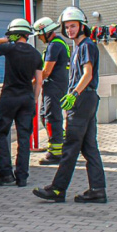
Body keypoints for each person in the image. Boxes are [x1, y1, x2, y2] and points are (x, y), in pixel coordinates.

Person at [33, 7, 108, 203]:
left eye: (73, 26)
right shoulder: (78, 46)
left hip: (82, 100)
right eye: (67, 27)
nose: (70, 30)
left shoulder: (86, 46)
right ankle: (98, 190)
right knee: (89, 147)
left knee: (70, 146)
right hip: (86, 99)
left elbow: (87, 74)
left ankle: (58, 189)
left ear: (82, 26)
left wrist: (74, 93)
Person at [0, 19, 43, 187]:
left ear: (14, 34)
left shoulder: (10, 48)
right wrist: (34, 100)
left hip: (9, 97)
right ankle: (22, 177)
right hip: (27, 98)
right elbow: (39, 82)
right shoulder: (36, 54)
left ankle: (5, 174)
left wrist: (5, 39)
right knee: (24, 138)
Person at [33, 16, 71, 166]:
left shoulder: (54, 45)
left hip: (54, 86)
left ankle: (56, 152)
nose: (39, 38)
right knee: (45, 115)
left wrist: (31, 83)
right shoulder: (59, 43)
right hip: (56, 86)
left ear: (46, 32)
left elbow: (47, 71)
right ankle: (61, 142)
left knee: (51, 117)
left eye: (40, 35)